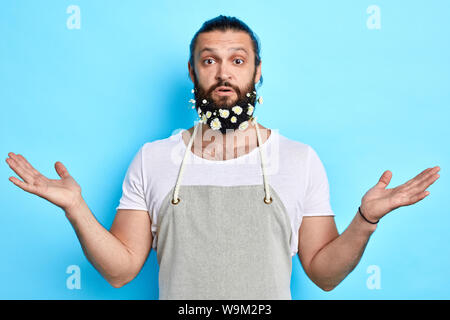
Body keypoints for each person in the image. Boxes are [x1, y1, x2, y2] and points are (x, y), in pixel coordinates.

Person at [5, 15, 440, 300]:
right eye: (209, 60)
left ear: (257, 70)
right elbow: (120, 271)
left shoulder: (299, 159)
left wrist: (365, 220)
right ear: (193, 73)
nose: (224, 72)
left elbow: (324, 274)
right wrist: (76, 208)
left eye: (237, 59)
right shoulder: (153, 158)